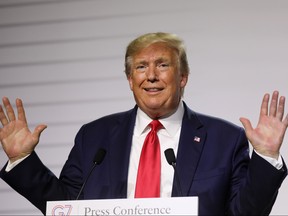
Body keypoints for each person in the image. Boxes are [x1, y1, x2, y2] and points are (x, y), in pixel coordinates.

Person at [0, 32, 287, 215]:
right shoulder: (95, 137)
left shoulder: (224, 139)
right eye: (140, 67)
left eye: (162, 65)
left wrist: (266, 157)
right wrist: (23, 160)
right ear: (130, 80)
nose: (151, 76)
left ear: (183, 77)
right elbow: (66, 206)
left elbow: (244, 212)